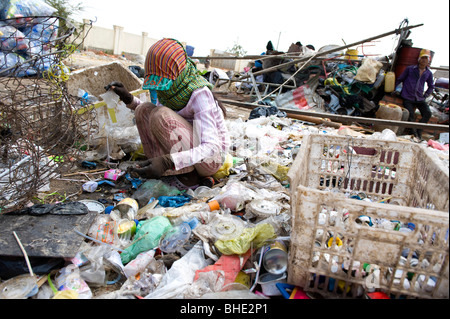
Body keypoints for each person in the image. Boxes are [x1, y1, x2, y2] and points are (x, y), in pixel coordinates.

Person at [105, 38, 230, 190]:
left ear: (178, 72)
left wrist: (168, 161)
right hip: (187, 153)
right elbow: (150, 114)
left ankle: (189, 179)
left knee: (161, 115)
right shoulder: (170, 92)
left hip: (210, 160)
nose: (161, 88)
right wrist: (128, 98)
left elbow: (211, 147)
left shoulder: (200, 94)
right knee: (143, 110)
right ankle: (163, 171)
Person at [395, 49, 435, 140]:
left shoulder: (428, 73)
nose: (424, 60)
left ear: (428, 61)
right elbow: (400, 79)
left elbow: (431, 86)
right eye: (423, 58)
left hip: (419, 98)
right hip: (407, 96)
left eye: (426, 58)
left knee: (427, 113)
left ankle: (419, 131)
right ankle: (415, 134)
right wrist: (394, 89)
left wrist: (425, 95)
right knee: (410, 114)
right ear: (419, 59)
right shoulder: (410, 69)